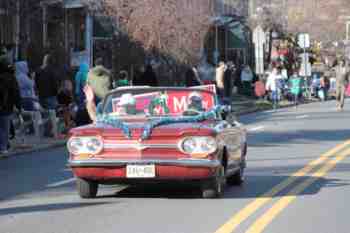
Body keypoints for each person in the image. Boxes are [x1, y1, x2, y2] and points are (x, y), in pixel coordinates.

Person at [0, 53, 22, 156]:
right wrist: (18, 106)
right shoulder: (11, 77)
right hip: (6, 106)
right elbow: (15, 92)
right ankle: (3, 147)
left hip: (4, 104)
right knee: (5, 127)